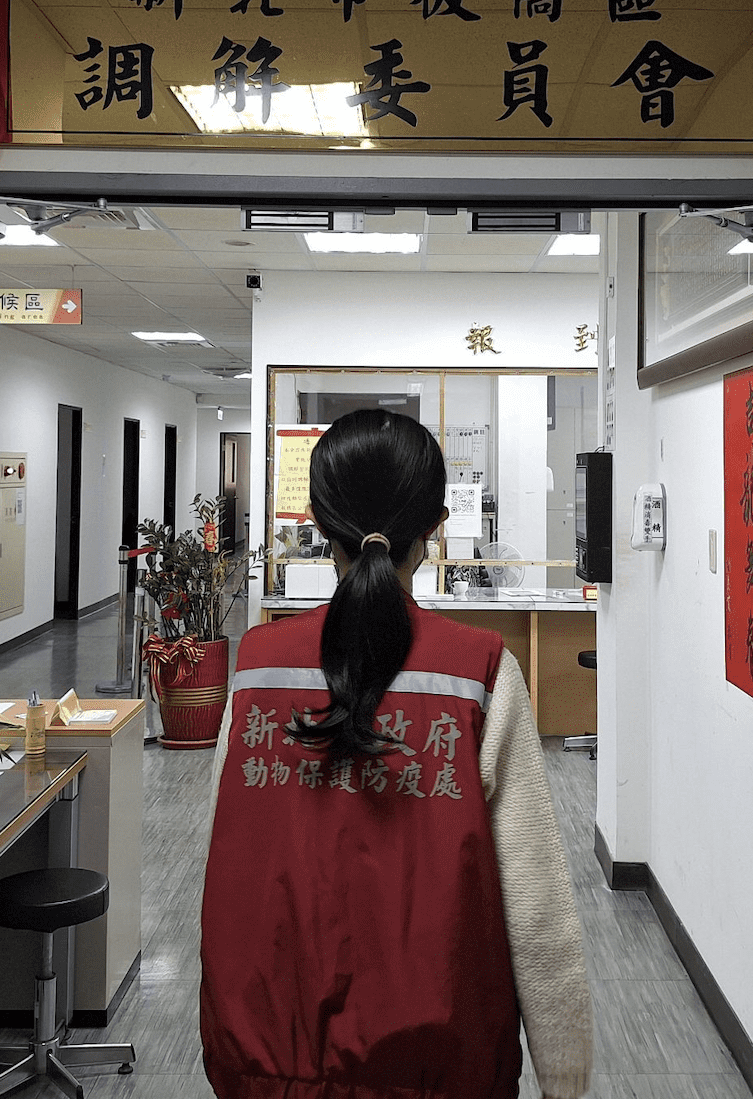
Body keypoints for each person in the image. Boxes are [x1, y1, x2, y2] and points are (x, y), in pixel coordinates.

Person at [200, 409, 593, 1099]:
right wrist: (565, 1074)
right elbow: (535, 905)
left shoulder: (258, 668)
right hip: (442, 1060)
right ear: (435, 525)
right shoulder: (478, 672)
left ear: (318, 524)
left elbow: (222, 850)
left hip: (267, 1058)